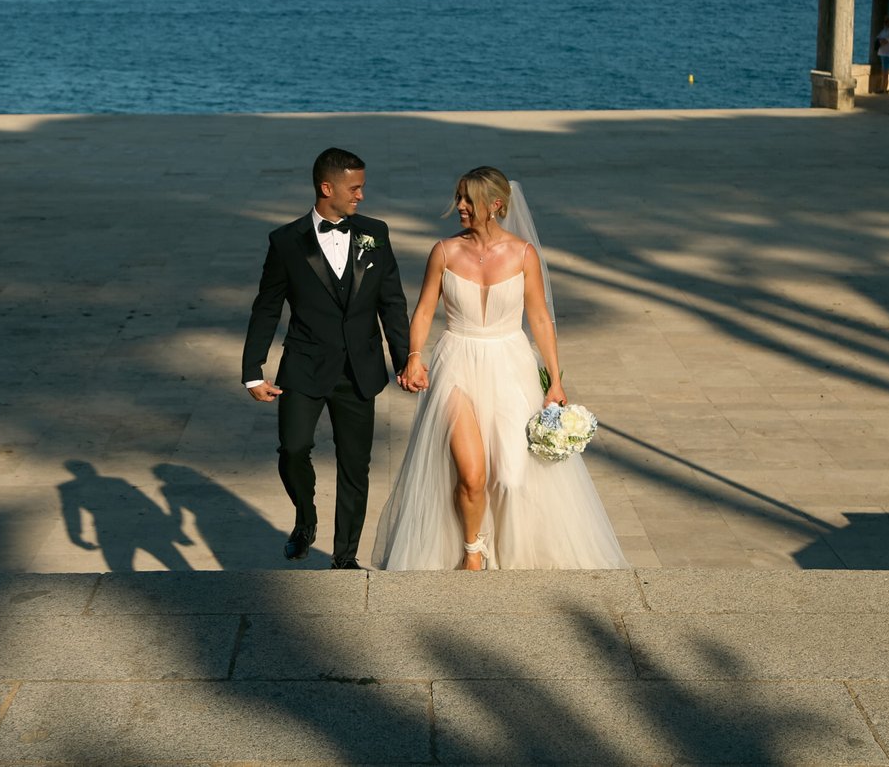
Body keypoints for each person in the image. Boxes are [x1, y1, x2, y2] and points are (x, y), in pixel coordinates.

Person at [371, 166, 627, 571]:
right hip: (456, 362)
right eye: (458, 197)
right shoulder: (444, 252)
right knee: (471, 475)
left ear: (496, 205)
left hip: (510, 364)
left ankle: (514, 550)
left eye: (467, 200)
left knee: (510, 477)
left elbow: (540, 319)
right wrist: (414, 356)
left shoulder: (523, 254)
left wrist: (556, 379)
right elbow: (423, 310)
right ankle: (472, 551)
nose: (459, 207)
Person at [242, 147, 410, 569]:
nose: (361, 198)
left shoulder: (377, 233)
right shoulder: (285, 241)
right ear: (326, 187)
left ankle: (345, 557)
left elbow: (392, 303)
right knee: (293, 449)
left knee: (356, 467)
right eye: (355, 189)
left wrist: (406, 358)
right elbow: (267, 306)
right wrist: (252, 371)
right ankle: (306, 517)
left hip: (361, 370)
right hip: (304, 365)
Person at [873, 15, 889, 94]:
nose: (885, 23)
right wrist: (881, 40)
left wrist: (881, 41)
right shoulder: (884, 31)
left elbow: (885, 41)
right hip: (883, 53)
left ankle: (883, 88)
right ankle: (885, 87)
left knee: (885, 72)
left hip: (888, 54)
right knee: (886, 71)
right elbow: (878, 39)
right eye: (885, 21)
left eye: (887, 21)